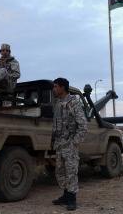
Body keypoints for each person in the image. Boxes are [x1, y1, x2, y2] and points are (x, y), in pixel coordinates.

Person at [51, 77, 87, 211]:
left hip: (69, 144)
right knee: (60, 171)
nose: (54, 89)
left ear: (62, 88)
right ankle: (65, 195)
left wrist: (74, 143)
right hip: (59, 144)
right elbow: (56, 124)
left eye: (55, 86)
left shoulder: (73, 103)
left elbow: (83, 125)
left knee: (71, 172)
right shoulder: (58, 103)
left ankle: (72, 199)